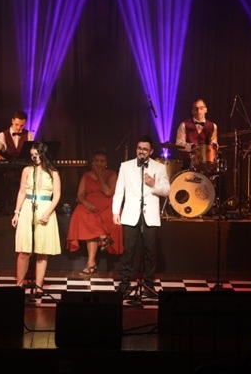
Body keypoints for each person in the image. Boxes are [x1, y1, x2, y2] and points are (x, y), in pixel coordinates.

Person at [112, 135, 171, 298]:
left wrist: (154, 185)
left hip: (150, 215)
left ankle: (148, 284)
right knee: (128, 251)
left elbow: (167, 191)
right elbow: (119, 191)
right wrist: (116, 211)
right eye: (139, 148)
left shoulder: (159, 168)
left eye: (145, 149)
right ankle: (124, 283)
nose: (142, 151)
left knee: (150, 252)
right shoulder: (125, 166)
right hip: (131, 214)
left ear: (150, 151)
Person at [11, 141, 61, 295]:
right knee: (24, 250)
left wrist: (47, 213)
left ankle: (38, 286)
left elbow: (57, 195)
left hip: (45, 209)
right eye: (32, 155)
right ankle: (19, 284)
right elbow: (21, 192)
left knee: (42, 251)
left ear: (43, 153)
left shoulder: (54, 173)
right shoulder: (27, 170)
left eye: (37, 154)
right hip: (28, 208)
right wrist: (17, 212)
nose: (34, 157)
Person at [65, 150, 124, 275]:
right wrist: (86, 204)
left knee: (97, 221)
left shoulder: (112, 174)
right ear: (92, 162)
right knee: (80, 214)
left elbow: (108, 192)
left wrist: (99, 177)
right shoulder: (86, 175)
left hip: (107, 204)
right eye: (97, 160)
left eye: (102, 161)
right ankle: (103, 238)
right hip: (90, 203)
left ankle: (91, 263)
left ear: (106, 162)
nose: (99, 163)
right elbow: (80, 195)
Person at [0, 110, 34, 212]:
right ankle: (8, 209)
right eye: (17, 124)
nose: (18, 128)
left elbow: (32, 152)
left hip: (24, 168)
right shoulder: (3, 135)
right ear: (12, 121)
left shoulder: (29, 135)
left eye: (22, 125)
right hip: (9, 170)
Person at [174, 98, 219, 171]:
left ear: (206, 110)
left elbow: (214, 144)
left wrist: (213, 147)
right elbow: (178, 144)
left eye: (201, 108)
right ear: (192, 111)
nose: (199, 111)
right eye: (196, 109)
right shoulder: (184, 125)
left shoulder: (213, 126)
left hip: (205, 165)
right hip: (187, 164)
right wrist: (192, 147)